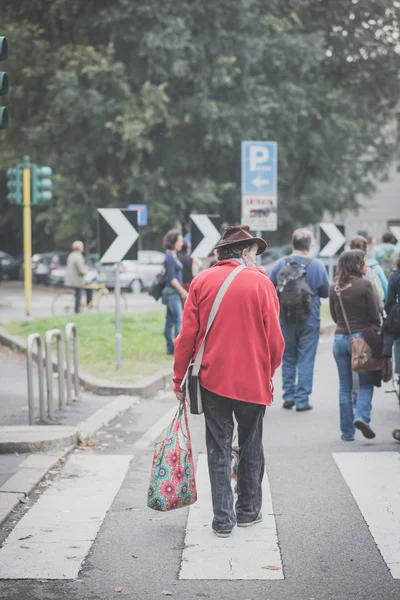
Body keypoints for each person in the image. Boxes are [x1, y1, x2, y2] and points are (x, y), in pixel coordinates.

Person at [173, 225, 284, 538]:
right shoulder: (261, 283)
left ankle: (223, 519)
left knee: (218, 448)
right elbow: (276, 340)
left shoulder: (201, 281)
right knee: (251, 445)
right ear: (245, 252)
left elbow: (186, 338)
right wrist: (268, 371)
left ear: (219, 253)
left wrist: (178, 379)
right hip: (253, 380)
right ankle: (248, 512)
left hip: (212, 379)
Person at [269, 228, 330, 411]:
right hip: (310, 319)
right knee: (306, 358)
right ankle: (302, 400)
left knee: (288, 357)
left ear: (293, 244)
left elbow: (270, 289)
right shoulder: (317, 265)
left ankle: (288, 396)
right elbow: (326, 292)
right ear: (309, 247)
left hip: (285, 318)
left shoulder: (280, 264)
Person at [329, 250, 380, 441]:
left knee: (344, 386)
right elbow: (375, 315)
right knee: (366, 384)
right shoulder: (365, 285)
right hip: (361, 342)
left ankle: (347, 433)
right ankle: (361, 417)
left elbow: (335, 317)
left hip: (340, 339)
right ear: (357, 264)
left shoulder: (334, 287)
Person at [162, 229, 187, 355]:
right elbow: (171, 278)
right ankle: (177, 348)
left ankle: (170, 348)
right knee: (178, 319)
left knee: (170, 320)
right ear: (173, 242)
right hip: (172, 292)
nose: (181, 243)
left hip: (173, 292)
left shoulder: (172, 255)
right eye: (179, 241)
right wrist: (183, 291)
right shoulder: (169, 257)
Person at [349, 236, 386, 310]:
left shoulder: (345, 269)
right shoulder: (374, 268)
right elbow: (384, 291)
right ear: (366, 250)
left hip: (349, 314)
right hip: (370, 314)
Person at [66, 241, 91, 314]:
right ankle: (78, 311)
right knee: (79, 296)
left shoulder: (71, 255)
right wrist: (86, 270)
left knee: (77, 295)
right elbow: (81, 270)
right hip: (77, 280)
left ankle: (80, 309)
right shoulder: (78, 257)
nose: (83, 248)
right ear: (79, 248)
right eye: (82, 246)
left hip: (71, 279)